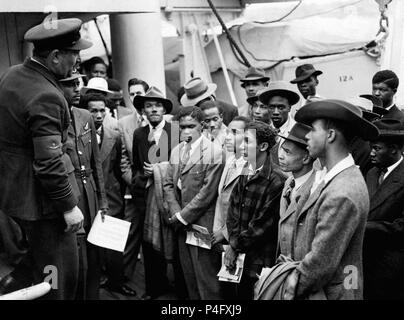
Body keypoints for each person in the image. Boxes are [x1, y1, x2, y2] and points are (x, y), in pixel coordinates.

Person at [0, 18, 91, 300]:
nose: (77, 62)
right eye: (74, 54)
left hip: (16, 198)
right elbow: (49, 162)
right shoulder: (47, 96)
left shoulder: (13, 75)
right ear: (54, 57)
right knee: (58, 277)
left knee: (37, 268)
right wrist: (68, 206)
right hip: (45, 207)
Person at [293, 99, 379, 299]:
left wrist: (292, 284)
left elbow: (320, 263)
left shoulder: (343, 190)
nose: (306, 136)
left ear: (330, 135)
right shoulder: (330, 177)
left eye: (313, 130)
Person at [163, 106, 225, 300]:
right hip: (181, 226)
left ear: (203, 125)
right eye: (182, 127)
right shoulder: (176, 151)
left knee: (207, 279)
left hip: (202, 225)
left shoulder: (214, 152)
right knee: (189, 277)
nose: (186, 131)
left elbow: (208, 193)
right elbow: (167, 184)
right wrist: (176, 214)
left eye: (191, 126)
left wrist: (183, 217)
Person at [59, 74, 109, 300]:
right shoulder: (52, 117)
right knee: (74, 259)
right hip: (71, 195)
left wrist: (103, 201)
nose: (76, 88)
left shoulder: (85, 115)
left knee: (95, 253)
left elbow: (95, 163)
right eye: (70, 84)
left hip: (90, 195)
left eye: (77, 83)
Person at [225, 121, 286, 300]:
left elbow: (262, 226)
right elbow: (233, 210)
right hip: (240, 252)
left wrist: (234, 245)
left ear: (263, 146)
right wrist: (234, 242)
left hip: (259, 259)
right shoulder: (246, 168)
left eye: (247, 141)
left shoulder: (276, 180)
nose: (241, 145)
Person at [130, 86, 176, 299]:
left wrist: (161, 168)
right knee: (148, 242)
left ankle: (178, 287)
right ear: (144, 111)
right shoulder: (139, 134)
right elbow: (135, 166)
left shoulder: (174, 130)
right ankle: (153, 288)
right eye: (149, 106)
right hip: (146, 194)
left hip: (171, 195)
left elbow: (182, 163)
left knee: (173, 240)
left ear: (164, 109)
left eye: (158, 105)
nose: (154, 109)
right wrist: (145, 175)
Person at [363, 118, 404, 300]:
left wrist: (364, 226)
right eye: (371, 147)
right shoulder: (372, 173)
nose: (371, 153)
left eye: (377, 148)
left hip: (391, 267)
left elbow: (401, 227)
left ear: (394, 149)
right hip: (363, 262)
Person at [117, 77, 149, 290]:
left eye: (140, 92)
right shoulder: (124, 124)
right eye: (133, 93)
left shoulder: (163, 120)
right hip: (135, 189)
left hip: (159, 188)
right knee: (130, 233)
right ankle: (123, 279)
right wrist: (135, 183)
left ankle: (158, 282)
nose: (136, 96)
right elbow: (123, 160)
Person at [277, 123, 316, 258]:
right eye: (282, 150)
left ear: (305, 158)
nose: (280, 156)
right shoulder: (289, 182)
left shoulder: (314, 188)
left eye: (287, 152)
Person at [212, 116, 251, 248]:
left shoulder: (250, 167)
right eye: (227, 132)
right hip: (221, 236)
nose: (228, 137)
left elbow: (244, 210)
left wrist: (225, 233)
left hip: (238, 239)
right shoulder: (230, 161)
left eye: (234, 133)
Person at [258, 81, 300, 165]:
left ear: (289, 108)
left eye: (281, 107)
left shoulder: (298, 132)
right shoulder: (262, 131)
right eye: (272, 107)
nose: (276, 112)